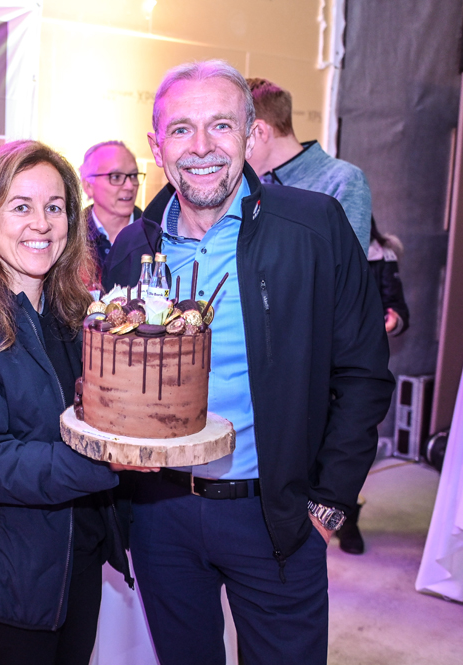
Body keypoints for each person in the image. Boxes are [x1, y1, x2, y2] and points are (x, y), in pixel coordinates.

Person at [104, 60, 394, 664]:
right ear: (157, 146)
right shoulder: (133, 247)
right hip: (161, 516)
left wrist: (327, 503)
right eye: (181, 129)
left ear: (250, 133)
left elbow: (363, 372)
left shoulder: (312, 227)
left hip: (274, 514)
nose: (201, 147)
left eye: (220, 125)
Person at [0, 140, 137, 665]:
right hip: (4, 574)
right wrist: (106, 462)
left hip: (77, 559)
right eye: (21, 207)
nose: (42, 223)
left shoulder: (73, 313)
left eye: (54, 207)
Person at [336, 216, 411, 555]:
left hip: (360, 360)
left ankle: (347, 516)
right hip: (317, 358)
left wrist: (392, 319)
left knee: (351, 440)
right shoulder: (317, 245)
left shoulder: (381, 254)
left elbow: (398, 307)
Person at [246, 77, 372, 255]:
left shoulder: (344, 180)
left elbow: (349, 267)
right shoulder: (252, 187)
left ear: (259, 131)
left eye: (238, 137)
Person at [79, 140, 144, 272]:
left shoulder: (156, 235)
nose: (129, 186)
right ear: (88, 186)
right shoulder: (70, 237)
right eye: (116, 177)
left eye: (133, 176)